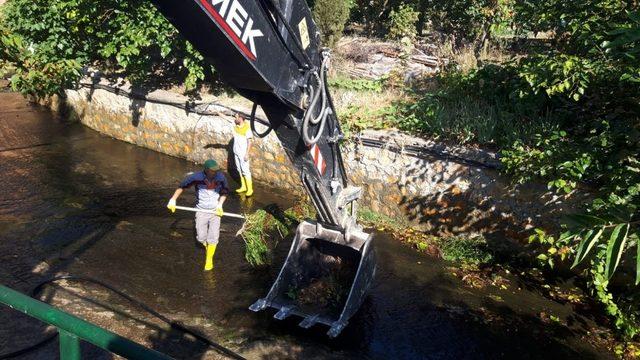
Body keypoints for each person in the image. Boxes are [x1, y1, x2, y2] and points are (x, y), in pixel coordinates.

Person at [167, 159, 229, 271]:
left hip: (215, 211)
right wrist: (173, 199)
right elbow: (182, 187)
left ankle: (209, 259)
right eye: (212, 171)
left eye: (216, 171)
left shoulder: (221, 178)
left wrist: (220, 205)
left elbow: (224, 192)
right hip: (201, 211)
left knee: (214, 237)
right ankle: (207, 246)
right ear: (206, 170)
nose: (214, 173)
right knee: (201, 237)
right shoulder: (196, 177)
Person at [232, 114, 254, 196]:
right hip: (236, 152)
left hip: (243, 154)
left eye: (236, 117)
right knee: (239, 170)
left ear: (241, 119)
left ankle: (250, 189)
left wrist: (247, 154)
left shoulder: (247, 128)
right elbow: (225, 118)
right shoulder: (235, 125)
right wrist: (217, 112)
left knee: (246, 171)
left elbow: (250, 142)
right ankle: (243, 186)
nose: (235, 118)